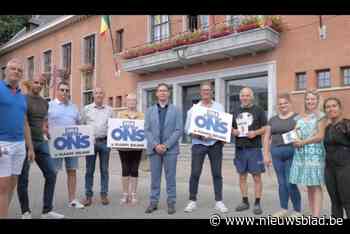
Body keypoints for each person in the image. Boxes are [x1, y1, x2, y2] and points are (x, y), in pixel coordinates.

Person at [17, 76, 64, 219]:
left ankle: (47, 210)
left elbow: (43, 120)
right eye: (36, 82)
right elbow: (24, 123)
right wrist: (29, 147)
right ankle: (25, 211)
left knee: (51, 173)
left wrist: (46, 130)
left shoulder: (45, 103)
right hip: (25, 144)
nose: (38, 85)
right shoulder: (22, 99)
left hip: (41, 143)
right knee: (23, 179)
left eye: (41, 84)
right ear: (30, 83)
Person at [183, 81, 228, 213]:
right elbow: (187, 129)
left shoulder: (219, 107)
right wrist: (201, 136)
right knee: (195, 173)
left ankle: (219, 201)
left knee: (217, 173)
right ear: (200, 92)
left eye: (208, 90)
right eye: (204, 90)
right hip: (198, 145)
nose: (206, 92)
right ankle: (192, 201)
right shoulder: (193, 109)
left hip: (215, 145)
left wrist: (221, 137)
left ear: (212, 92)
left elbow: (223, 126)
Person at [0, 58, 35, 218]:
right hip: (3, 144)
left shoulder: (22, 96)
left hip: (20, 145)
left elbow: (25, 122)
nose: (16, 72)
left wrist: (30, 148)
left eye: (19, 70)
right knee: (3, 186)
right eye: (13, 68)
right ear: (6, 71)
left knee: (12, 184)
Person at [144, 83, 183, 215]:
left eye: (165, 91)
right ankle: (153, 202)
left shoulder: (176, 110)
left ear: (169, 93)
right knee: (155, 178)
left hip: (170, 150)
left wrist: (166, 145)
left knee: (170, 178)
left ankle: (171, 202)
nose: (162, 93)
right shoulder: (149, 111)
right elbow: (147, 130)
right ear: (156, 93)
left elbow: (178, 130)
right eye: (160, 91)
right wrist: (156, 145)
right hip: (154, 150)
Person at [289, 90, 327, 217]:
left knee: (315, 184)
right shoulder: (299, 117)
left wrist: (303, 142)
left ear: (317, 100)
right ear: (305, 101)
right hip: (301, 153)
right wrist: (294, 140)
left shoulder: (321, 116)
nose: (310, 101)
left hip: (314, 153)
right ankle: (312, 213)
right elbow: (294, 132)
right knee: (308, 184)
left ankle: (316, 216)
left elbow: (320, 136)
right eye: (308, 99)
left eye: (313, 99)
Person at [263, 93, 301, 217]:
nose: (283, 105)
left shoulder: (297, 117)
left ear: (290, 103)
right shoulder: (272, 119)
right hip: (276, 154)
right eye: (280, 104)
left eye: (285, 103)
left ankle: (297, 210)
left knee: (291, 182)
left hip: (292, 153)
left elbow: (301, 134)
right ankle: (283, 208)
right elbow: (267, 137)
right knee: (281, 183)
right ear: (277, 106)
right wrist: (266, 155)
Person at [48, 81, 84, 209]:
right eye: (62, 90)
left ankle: (72, 200)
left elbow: (80, 124)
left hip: (72, 144)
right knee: (53, 173)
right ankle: (49, 202)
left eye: (67, 90)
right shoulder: (49, 105)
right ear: (57, 91)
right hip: (55, 144)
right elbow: (44, 124)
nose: (64, 92)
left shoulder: (73, 107)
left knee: (72, 171)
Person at [231, 87, 267, 215]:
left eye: (247, 95)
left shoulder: (259, 110)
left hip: (254, 149)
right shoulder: (235, 111)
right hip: (240, 148)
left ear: (251, 97)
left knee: (257, 177)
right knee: (242, 176)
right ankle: (245, 201)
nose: (245, 98)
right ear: (240, 97)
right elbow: (230, 128)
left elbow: (266, 128)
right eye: (243, 95)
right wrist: (233, 131)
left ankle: (257, 202)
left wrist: (255, 132)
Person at [80, 87, 113, 206]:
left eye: (101, 93)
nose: (99, 95)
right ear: (93, 95)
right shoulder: (86, 109)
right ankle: (88, 196)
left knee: (105, 170)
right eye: (96, 93)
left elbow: (113, 126)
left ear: (103, 95)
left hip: (105, 142)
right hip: (90, 144)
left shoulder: (110, 110)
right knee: (89, 170)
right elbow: (82, 125)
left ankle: (104, 195)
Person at [323, 97, 350, 218]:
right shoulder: (327, 128)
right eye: (328, 107)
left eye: (334, 106)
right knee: (334, 201)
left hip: (345, 168)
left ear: (340, 108)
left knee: (347, 201)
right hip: (329, 169)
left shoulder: (347, 124)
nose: (331, 109)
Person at [117, 93, 144, 205]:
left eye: (134, 100)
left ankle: (133, 194)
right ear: (126, 102)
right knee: (125, 169)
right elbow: (116, 127)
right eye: (129, 100)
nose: (131, 102)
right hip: (123, 148)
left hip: (137, 148)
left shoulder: (142, 115)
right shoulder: (120, 114)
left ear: (136, 102)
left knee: (134, 170)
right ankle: (125, 194)